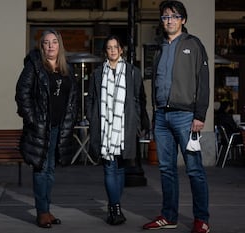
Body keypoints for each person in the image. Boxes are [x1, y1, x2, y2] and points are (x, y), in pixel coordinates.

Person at [142, 1, 211, 233]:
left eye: (174, 16)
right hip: (162, 116)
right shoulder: (159, 48)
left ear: (183, 20)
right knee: (166, 170)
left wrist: (199, 115)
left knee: (194, 169)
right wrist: (154, 116)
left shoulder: (194, 44)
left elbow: (203, 82)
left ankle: (201, 219)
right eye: (165, 17)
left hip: (186, 116)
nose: (169, 20)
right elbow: (156, 83)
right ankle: (169, 216)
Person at [15, 29, 78, 228]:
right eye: (46, 42)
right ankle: (42, 212)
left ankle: (47, 210)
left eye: (54, 42)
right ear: (41, 46)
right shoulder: (34, 67)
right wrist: (34, 120)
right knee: (41, 169)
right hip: (41, 129)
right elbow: (21, 94)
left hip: (59, 128)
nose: (50, 46)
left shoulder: (67, 68)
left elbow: (73, 99)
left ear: (59, 46)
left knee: (50, 170)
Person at [86, 35, 149, 225]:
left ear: (121, 50)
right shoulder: (97, 73)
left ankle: (115, 204)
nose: (113, 50)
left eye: (116, 47)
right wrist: (93, 118)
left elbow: (140, 99)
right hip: (104, 128)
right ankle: (115, 208)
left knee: (121, 168)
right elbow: (91, 100)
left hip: (125, 128)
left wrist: (136, 121)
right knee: (109, 167)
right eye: (109, 47)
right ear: (105, 51)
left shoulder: (132, 72)